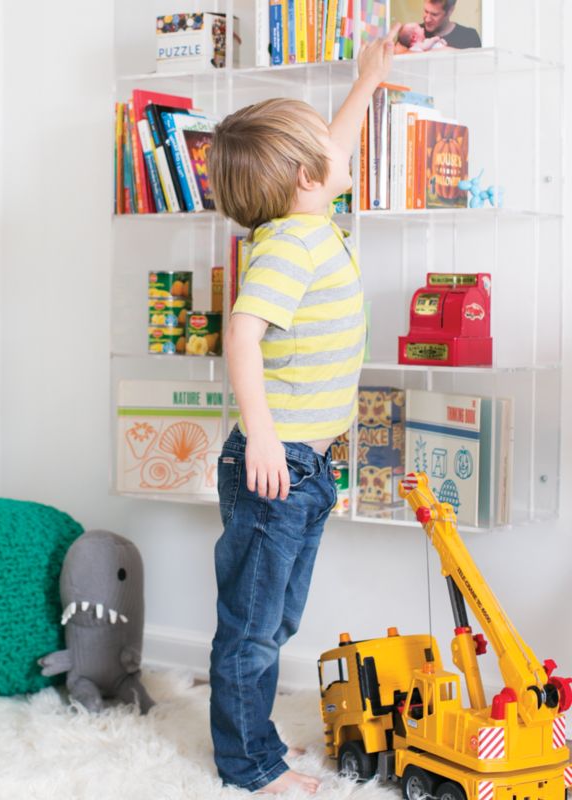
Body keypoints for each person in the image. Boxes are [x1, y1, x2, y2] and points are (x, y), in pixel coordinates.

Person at [206, 25, 400, 796]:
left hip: (308, 466)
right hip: (275, 465)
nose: (341, 157)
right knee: (253, 629)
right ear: (301, 178)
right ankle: (249, 766)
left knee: (275, 621)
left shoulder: (312, 222)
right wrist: (261, 435)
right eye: (327, 153)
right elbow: (241, 334)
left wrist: (366, 81)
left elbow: (334, 146)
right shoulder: (289, 246)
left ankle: (255, 740)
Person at [396, 0, 481, 53]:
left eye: (434, 14)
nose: (427, 19)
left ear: (450, 11)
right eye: (426, 11)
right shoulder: (412, 33)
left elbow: (476, 66)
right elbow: (395, 53)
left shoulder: (469, 36)